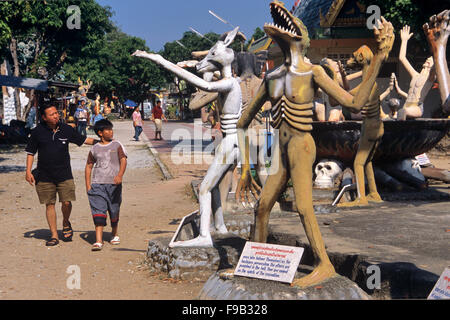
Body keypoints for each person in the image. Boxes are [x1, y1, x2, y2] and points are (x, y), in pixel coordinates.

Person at [25, 104, 98, 246]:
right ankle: (53, 235)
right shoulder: (37, 132)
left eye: (56, 113)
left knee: (66, 202)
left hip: (64, 173)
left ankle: (65, 222)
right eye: (51, 114)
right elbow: (30, 153)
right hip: (44, 175)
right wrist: (28, 171)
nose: (56, 116)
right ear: (44, 118)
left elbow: (83, 140)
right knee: (49, 204)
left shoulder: (66, 129)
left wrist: (102, 142)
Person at [85, 119, 127, 251]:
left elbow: (123, 160)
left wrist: (120, 175)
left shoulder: (117, 145)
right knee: (98, 211)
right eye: (107, 130)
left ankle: (114, 233)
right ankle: (98, 240)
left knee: (114, 210)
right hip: (97, 184)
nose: (111, 132)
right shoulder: (94, 149)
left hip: (113, 185)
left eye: (111, 129)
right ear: (100, 133)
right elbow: (89, 166)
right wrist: (88, 185)